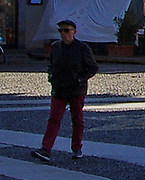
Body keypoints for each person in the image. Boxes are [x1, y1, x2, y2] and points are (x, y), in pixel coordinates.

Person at [32, 19, 97, 160]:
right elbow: (51, 64)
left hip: (76, 89)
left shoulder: (82, 48)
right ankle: (46, 149)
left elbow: (92, 67)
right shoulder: (56, 47)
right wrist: (51, 77)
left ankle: (76, 147)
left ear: (74, 32)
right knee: (54, 118)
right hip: (59, 88)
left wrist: (80, 79)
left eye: (66, 30)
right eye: (60, 31)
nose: (63, 33)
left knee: (77, 119)